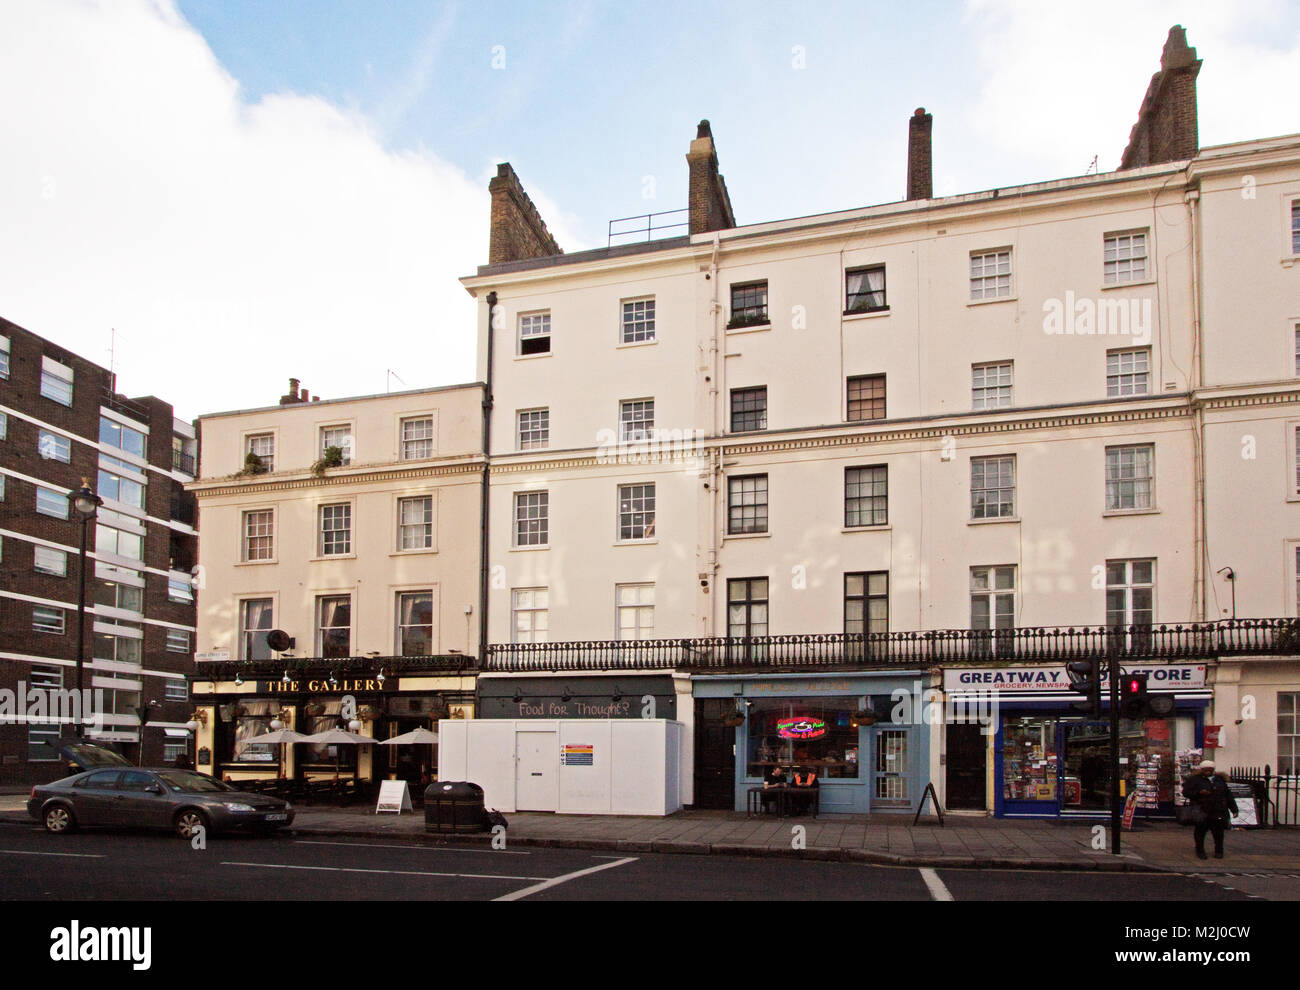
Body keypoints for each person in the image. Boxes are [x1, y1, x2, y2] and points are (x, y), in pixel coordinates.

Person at [1181, 760, 1238, 860]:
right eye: (1205, 770)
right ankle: (1200, 851)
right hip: (1202, 809)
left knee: (1218, 833)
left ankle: (1219, 851)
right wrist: (1199, 793)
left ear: (1213, 770)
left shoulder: (1219, 779)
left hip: (1218, 810)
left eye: (1210, 770)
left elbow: (1227, 795)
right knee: (1200, 832)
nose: (1207, 772)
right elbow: (1186, 792)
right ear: (1201, 770)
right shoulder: (1194, 780)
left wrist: (1234, 809)